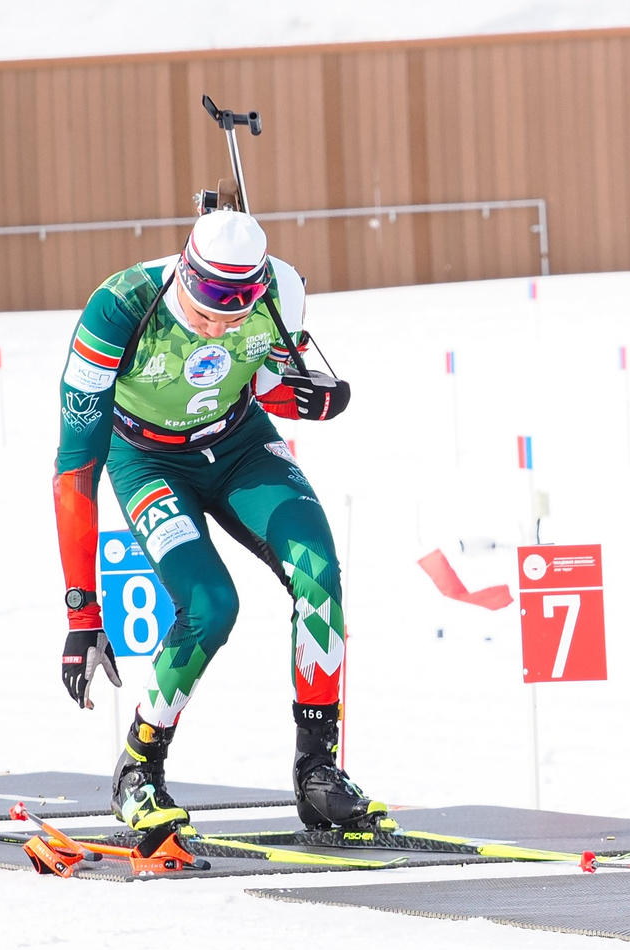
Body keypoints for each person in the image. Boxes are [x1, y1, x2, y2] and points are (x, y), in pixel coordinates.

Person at [49, 207, 386, 849]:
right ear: (184, 273)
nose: (217, 327)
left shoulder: (283, 291)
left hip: (238, 445)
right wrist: (81, 613)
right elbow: (74, 467)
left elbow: (264, 384)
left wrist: (317, 399)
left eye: (233, 316)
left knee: (319, 573)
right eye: (203, 314)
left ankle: (318, 771)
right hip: (144, 459)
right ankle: (138, 768)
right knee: (210, 605)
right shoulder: (119, 308)